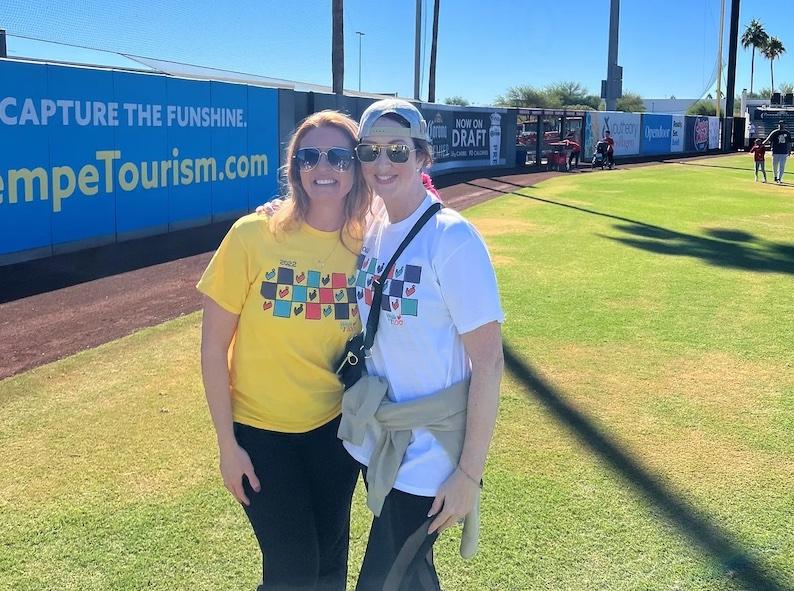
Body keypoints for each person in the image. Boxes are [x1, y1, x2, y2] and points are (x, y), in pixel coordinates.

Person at [197, 110, 370, 591]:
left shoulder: (370, 243)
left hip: (335, 433)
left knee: (331, 561)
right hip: (260, 434)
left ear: (356, 166)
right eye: (309, 156)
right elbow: (213, 348)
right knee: (293, 569)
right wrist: (226, 446)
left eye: (339, 156)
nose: (324, 166)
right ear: (294, 166)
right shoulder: (253, 236)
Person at [341, 99, 504, 591]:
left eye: (398, 150)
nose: (383, 163)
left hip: (430, 456)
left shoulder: (451, 238)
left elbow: (490, 364)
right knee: (410, 577)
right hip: (381, 440)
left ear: (422, 156)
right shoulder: (371, 229)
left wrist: (469, 475)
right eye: (370, 151)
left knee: (382, 580)